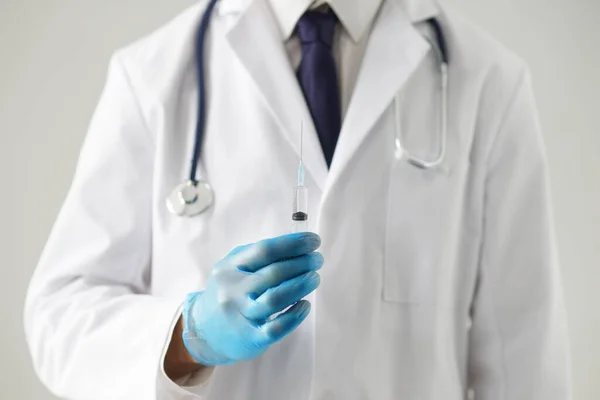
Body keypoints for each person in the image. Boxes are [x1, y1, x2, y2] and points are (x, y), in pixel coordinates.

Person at [24, 0, 571, 399]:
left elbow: (525, 355)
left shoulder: (488, 83)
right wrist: (188, 333)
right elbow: (59, 314)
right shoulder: (152, 77)